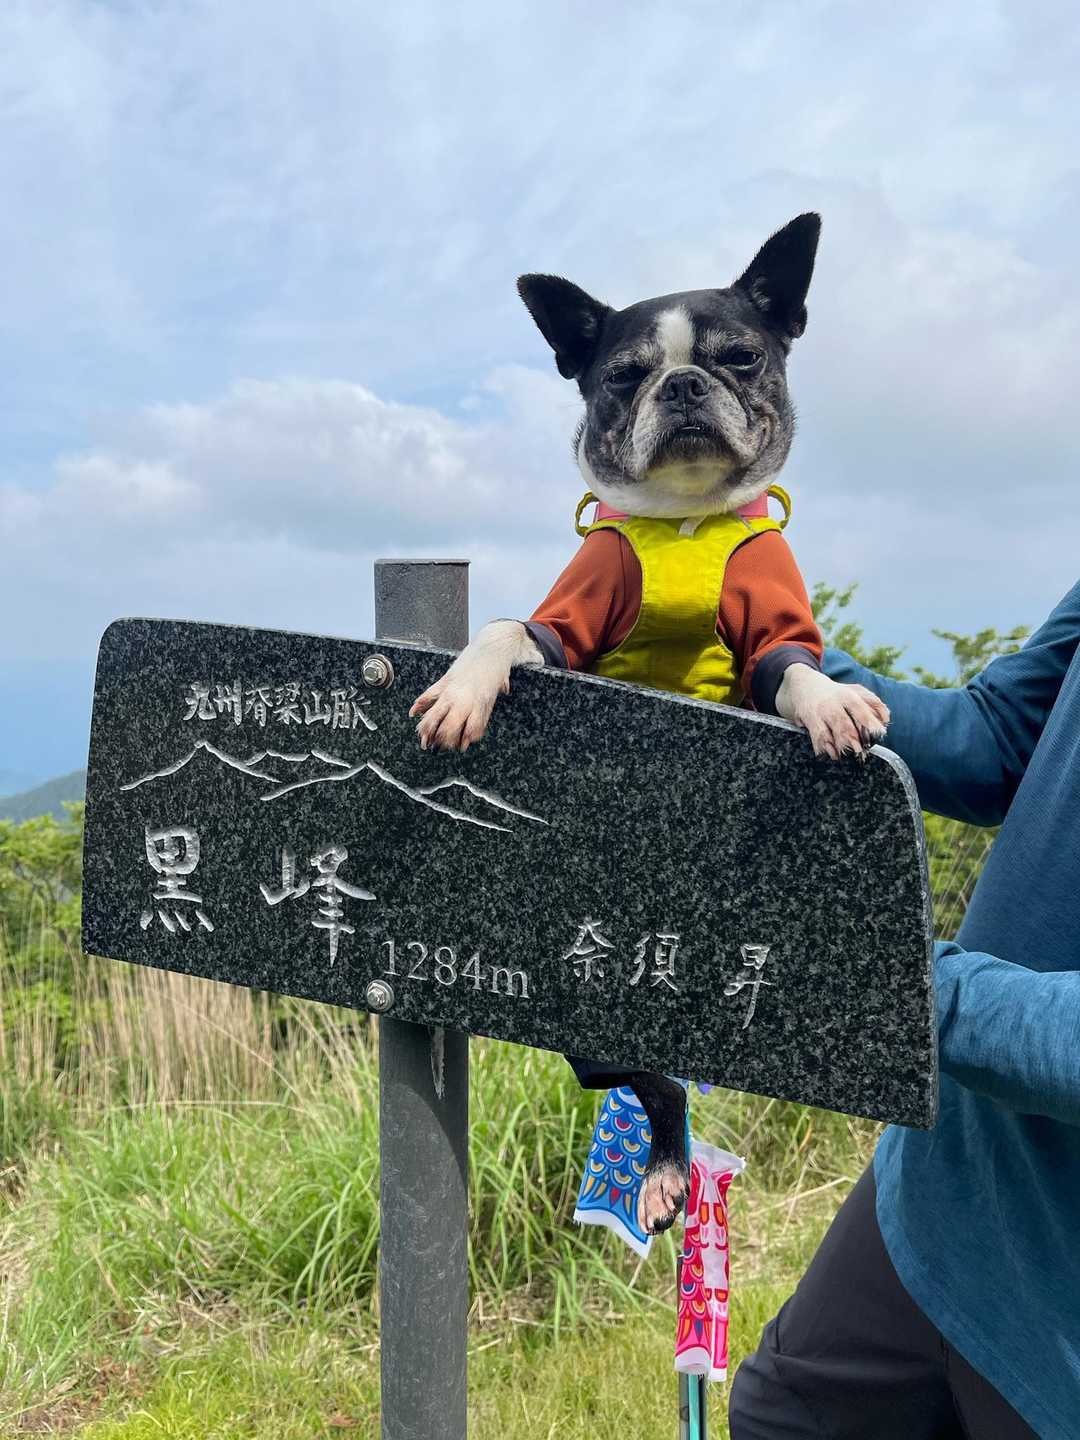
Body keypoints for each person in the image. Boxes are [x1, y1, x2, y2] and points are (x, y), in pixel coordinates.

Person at [728, 581, 1080, 1439]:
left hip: (1060, 1307)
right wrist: (774, 659)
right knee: (785, 1420)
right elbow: (995, 741)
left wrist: (898, 977)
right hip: (944, 1180)